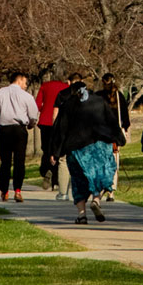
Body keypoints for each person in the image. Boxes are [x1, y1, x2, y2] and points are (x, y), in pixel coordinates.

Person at [50, 78, 123, 224]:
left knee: (79, 182)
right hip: (99, 145)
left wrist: (55, 152)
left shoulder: (68, 105)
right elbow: (112, 121)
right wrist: (119, 139)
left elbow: (60, 129)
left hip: (75, 149)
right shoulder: (99, 101)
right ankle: (96, 199)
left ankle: (82, 215)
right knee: (103, 175)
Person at [0, 72, 39, 202]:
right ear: (19, 80)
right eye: (25, 82)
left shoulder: (0, 93)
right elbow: (33, 115)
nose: (26, 85)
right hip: (20, 130)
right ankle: (18, 190)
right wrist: (31, 125)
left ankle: (4, 191)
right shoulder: (27, 96)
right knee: (20, 161)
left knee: (5, 162)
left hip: (5, 129)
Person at [97, 72, 130, 201]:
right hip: (116, 133)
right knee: (114, 161)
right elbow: (125, 116)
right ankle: (111, 190)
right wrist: (125, 129)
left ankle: (102, 187)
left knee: (102, 162)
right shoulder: (119, 96)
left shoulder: (99, 96)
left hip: (101, 133)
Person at [35, 71, 68, 191]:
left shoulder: (44, 86)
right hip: (60, 123)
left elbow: (37, 104)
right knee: (57, 150)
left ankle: (46, 169)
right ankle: (55, 179)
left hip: (45, 121)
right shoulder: (66, 88)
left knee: (46, 149)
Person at [52, 72, 84, 200]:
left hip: (65, 131)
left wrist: (55, 132)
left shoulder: (62, 94)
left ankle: (63, 192)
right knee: (81, 161)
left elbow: (55, 114)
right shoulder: (86, 95)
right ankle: (80, 191)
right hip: (82, 132)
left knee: (63, 160)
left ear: (69, 82)